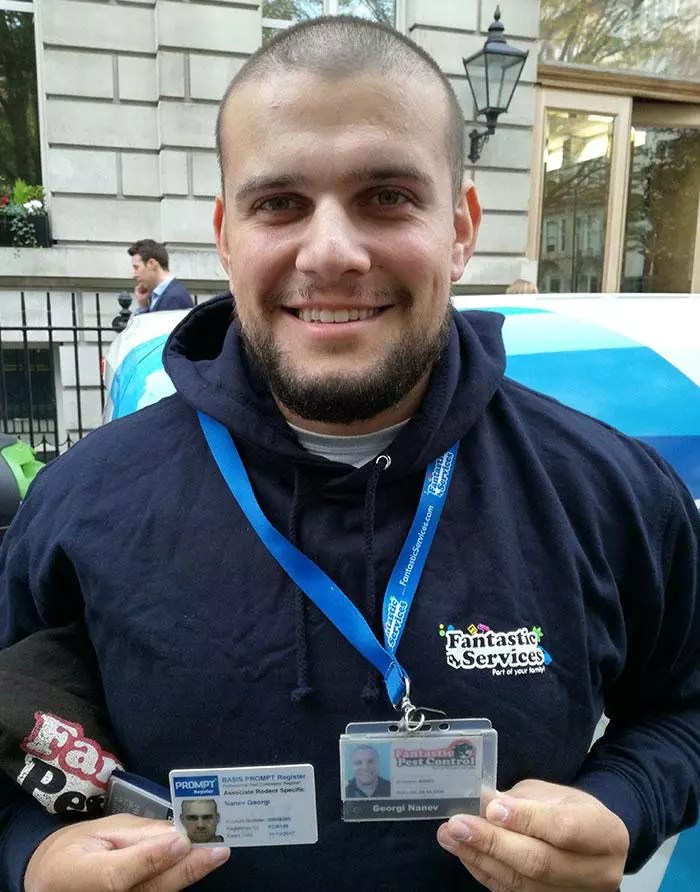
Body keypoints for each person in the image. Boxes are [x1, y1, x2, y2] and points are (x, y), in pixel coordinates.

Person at [0, 14, 698, 892]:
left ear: (461, 227)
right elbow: (11, 740)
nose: (331, 253)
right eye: (279, 204)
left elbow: (686, 709)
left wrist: (625, 803)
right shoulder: (81, 503)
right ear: (227, 234)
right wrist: (31, 858)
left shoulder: (607, 489)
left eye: (388, 197)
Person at [128, 238, 194, 313]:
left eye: (136, 268)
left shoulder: (174, 298)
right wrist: (143, 305)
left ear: (152, 264)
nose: (133, 275)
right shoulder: (163, 294)